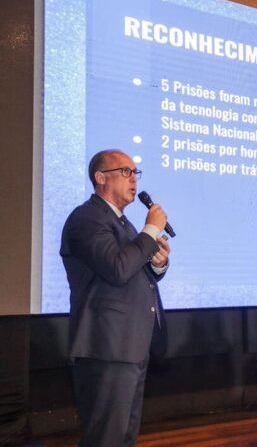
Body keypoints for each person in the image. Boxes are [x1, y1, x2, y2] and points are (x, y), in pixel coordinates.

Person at [60, 149, 170, 447]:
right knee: (105, 438)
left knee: (125, 437)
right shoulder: (87, 218)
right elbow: (117, 269)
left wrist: (158, 264)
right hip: (106, 346)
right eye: (125, 171)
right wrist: (151, 229)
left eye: (135, 173)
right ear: (100, 177)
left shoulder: (124, 224)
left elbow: (136, 272)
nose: (134, 179)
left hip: (131, 345)